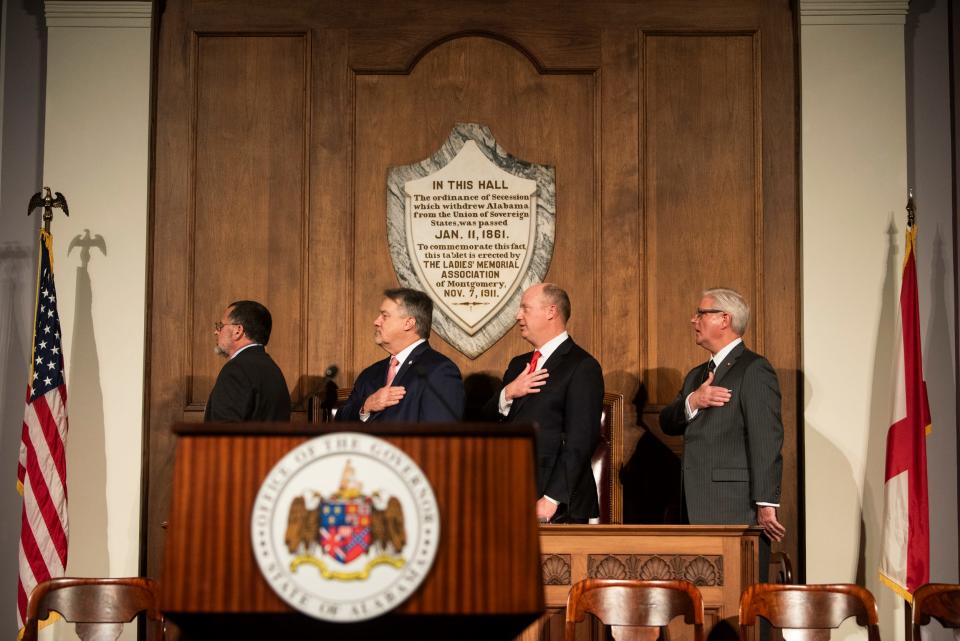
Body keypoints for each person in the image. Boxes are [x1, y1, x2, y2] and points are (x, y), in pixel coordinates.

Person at [659, 287, 786, 543]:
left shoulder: (754, 369)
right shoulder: (697, 374)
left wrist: (765, 502)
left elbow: (766, 438)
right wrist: (694, 400)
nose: (694, 320)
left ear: (724, 319)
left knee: (738, 582)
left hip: (734, 507)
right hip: (691, 504)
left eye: (701, 313)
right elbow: (667, 422)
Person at [486, 283, 603, 523]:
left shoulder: (582, 366)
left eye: (525, 309)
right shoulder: (518, 364)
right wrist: (508, 393)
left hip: (556, 504)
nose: (518, 316)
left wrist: (551, 499)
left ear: (551, 311)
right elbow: (485, 419)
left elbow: (581, 440)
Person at [337, 288, 464, 422]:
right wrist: (366, 406)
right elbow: (340, 421)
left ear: (408, 323)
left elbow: (440, 437)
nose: (376, 321)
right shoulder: (370, 373)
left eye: (384, 316)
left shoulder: (439, 371)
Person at [205, 300, 291, 422]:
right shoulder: (272, 369)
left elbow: (224, 432)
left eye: (220, 326)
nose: (216, 332)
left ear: (238, 330)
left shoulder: (236, 370)